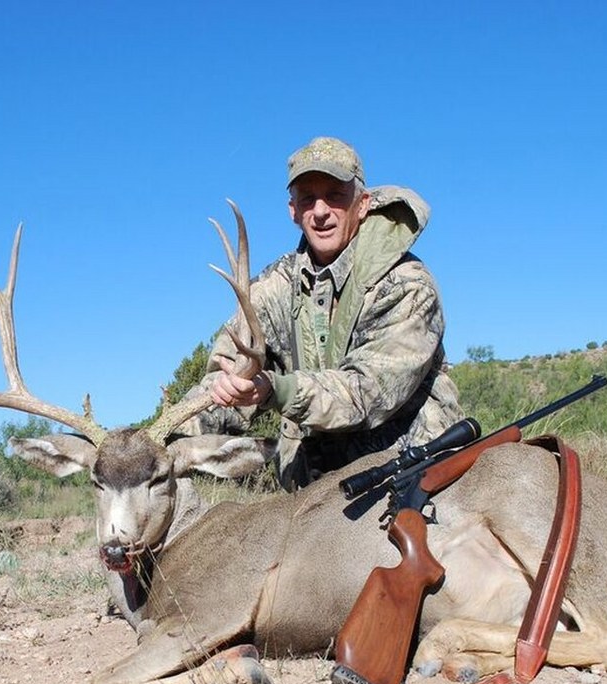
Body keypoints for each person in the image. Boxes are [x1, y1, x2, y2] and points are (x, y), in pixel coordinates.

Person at [181, 136, 464, 491]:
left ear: (362, 204)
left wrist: (276, 389)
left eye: (335, 195)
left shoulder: (406, 284)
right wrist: (157, 437)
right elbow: (226, 378)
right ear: (293, 211)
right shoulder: (272, 289)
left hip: (412, 472)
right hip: (313, 491)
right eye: (308, 198)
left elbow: (369, 393)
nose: (320, 211)